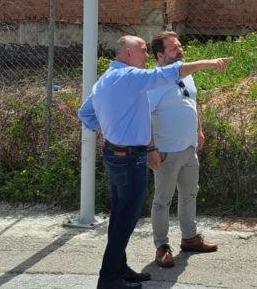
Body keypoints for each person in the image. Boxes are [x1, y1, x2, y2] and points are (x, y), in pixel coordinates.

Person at [78, 35, 230, 289]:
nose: (146, 55)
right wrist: (208, 63)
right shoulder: (129, 76)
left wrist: (110, 131)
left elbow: (85, 113)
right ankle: (109, 278)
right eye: (143, 50)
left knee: (120, 216)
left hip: (117, 153)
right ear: (128, 53)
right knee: (125, 220)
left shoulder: (108, 78)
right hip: (129, 158)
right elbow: (169, 73)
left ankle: (119, 269)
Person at [146, 31, 218, 269]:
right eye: (174, 48)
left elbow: (192, 102)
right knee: (162, 200)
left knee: (189, 194)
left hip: (188, 148)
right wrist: (151, 149)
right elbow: (144, 117)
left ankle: (189, 238)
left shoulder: (185, 74)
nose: (180, 50)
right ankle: (162, 246)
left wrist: (199, 130)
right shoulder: (155, 81)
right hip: (166, 151)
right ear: (160, 55)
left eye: (179, 46)